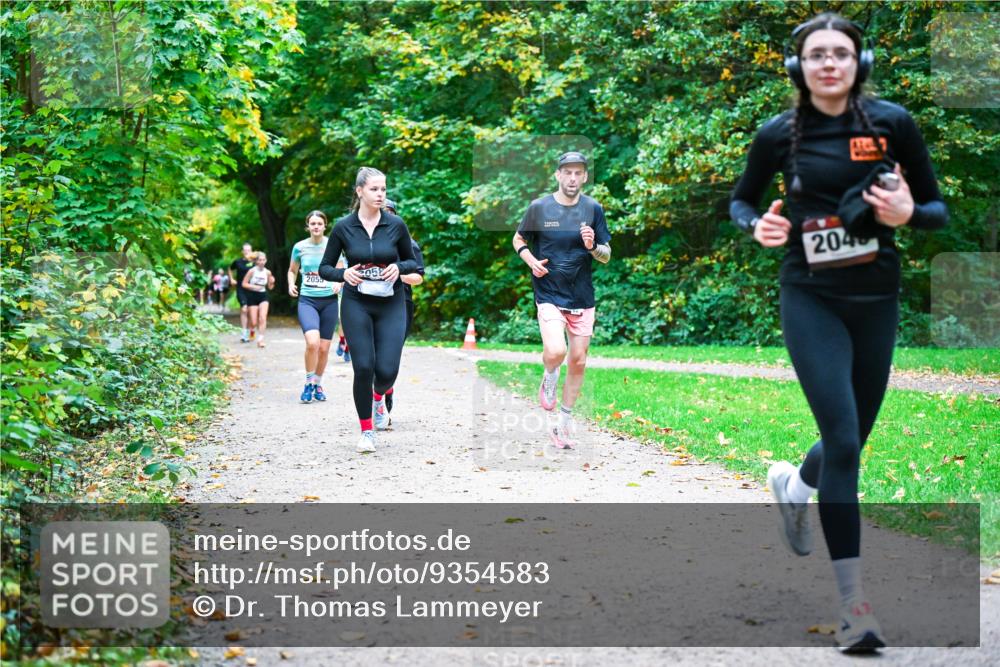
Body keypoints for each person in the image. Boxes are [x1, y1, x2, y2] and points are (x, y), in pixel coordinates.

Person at [729, 12, 947, 653]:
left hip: (876, 299)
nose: (829, 63)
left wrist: (909, 212)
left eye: (841, 54)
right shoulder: (780, 135)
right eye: (817, 54)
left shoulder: (892, 125)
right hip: (811, 297)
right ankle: (856, 608)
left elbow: (934, 209)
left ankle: (795, 487)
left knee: (848, 437)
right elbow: (742, 201)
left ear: (860, 64)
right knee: (846, 440)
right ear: (800, 68)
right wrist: (756, 227)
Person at [512, 151, 611, 450]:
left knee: (579, 361)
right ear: (557, 175)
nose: (572, 178)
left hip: (582, 296)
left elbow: (606, 256)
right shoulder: (539, 208)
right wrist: (530, 260)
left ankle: (563, 424)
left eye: (578, 172)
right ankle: (549, 375)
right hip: (549, 292)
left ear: (584, 177)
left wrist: (593, 247)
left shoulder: (593, 209)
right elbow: (519, 240)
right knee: (556, 350)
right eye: (567, 172)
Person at [318, 167, 418, 453]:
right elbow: (325, 267)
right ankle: (366, 432)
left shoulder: (396, 225)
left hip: (391, 303)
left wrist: (397, 268)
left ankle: (379, 397)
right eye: (374, 189)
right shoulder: (343, 227)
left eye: (384, 189)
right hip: (356, 302)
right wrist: (343, 274)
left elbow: (411, 263)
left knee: (387, 370)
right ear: (359, 191)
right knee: (363, 367)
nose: (380, 194)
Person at [288, 210, 343, 403]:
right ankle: (308, 383)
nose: (316, 226)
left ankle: (317, 384)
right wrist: (290, 284)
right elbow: (292, 270)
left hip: (329, 301)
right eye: (313, 223)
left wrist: (339, 282)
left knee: (324, 349)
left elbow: (342, 270)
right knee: (313, 343)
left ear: (324, 225)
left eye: (319, 223)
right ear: (308, 226)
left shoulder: (333, 245)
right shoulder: (300, 247)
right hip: (308, 300)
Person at [382, 198, 425, 415]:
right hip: (369, 303)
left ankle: (385, 391)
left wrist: (398, 274)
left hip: (400, 303)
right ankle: (376, 396)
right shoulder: (363, 244)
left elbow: (418, 278)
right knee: (371, 354)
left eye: (389, 212)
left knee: (390, 354)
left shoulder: (409, 244)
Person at [241, 252, 275, 348]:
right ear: (256, 261)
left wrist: (272, 282)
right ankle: (252, 329)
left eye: (263, 260)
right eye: (260, 260)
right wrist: (254, 287)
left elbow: (270, 287)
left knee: (263, 318)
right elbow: (244, 284)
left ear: (266, 261)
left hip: (263, 296)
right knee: (254, 321)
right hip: (252, 296)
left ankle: (260, 340)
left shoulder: (268, 272)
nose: (261, 262)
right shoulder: (252, 271)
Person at [230, 243, 256, 342]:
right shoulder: (238, 262)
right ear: (242, 252)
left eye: (249, 250)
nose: (247, 252)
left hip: (252, 289)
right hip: (241, 288)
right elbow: (230, 268)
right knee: (244, 309)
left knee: (251, 312)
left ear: (251, 251)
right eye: (245, 250)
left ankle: (251, 330)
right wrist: (231, 279)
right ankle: (244, 333)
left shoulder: (255, 262)